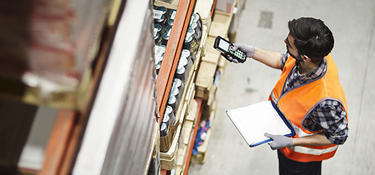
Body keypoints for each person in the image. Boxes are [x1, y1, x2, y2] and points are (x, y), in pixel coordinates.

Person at [227, 17, 348, 175]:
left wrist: (291, 141)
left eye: (289, 44)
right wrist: (252, 52)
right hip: (283, 138)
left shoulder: (327, 101)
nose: (284, 40)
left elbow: (339, 136)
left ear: (305, 57)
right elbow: (285, 61)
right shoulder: (314, 58)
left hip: (300, 161)